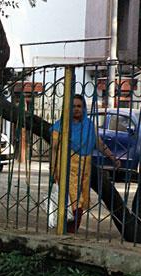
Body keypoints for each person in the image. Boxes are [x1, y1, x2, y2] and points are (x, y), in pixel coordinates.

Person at [50, 94, 117, 233]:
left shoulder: (89, 126)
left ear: (84, 108)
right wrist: (53, 170)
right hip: (66, 169)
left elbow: (99, 143)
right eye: (73, 106)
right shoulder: (60, 126)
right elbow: (54, 149)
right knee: (73, 200)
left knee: (79, 199)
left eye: (79, 106)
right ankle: (69, 230)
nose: (76, 109)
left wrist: (112, 157)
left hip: (84, 171)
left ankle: (70, 231)